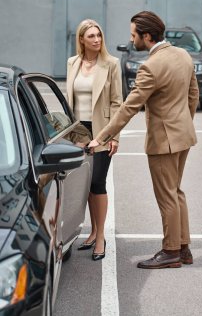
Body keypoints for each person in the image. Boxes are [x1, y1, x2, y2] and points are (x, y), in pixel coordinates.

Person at [89, 11, 199, 269]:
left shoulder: (150, 66)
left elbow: (129, 107)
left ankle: (170, 251)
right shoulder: (183, 55)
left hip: (164, 140)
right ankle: (183, 249)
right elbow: (192, 95)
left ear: (146, 36)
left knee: (167, 196)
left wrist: (101, 137)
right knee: (176, 192)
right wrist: (184, 123)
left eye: (133, 35)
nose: (131, 40)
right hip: (183, 136)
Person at [66, 19, 122, 261]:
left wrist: (114, 136)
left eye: (99, 35)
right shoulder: (72, 63)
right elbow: (71, 101)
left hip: (102, 130)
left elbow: (117, 103)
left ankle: (101, 238)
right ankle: (93, 231)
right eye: (91, 36)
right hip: (78, 132)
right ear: (81, 40)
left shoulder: (111, 64)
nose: (97, 40)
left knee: (98, 182)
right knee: (86, 183)